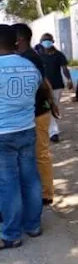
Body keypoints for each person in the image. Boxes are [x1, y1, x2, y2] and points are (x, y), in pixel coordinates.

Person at [0, 24, 43, 249]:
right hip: (27, 129)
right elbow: (37, 90)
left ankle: (11, 234)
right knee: (31, 178)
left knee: (8, 183)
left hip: (3, 133)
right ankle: (33, 226)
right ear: (15, 42)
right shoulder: (29, 66)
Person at [13, 24, 57, 205]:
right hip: (32, 112)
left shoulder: (30, 58)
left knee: (41, 154)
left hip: (38, 112)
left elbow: (43, 82)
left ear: (19, 39)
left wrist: (52, 102)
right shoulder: (25, 57)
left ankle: (46, 193)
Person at [39, 33, 73, 143]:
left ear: (52, 42)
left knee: (53, 107)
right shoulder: (39, 56)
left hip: (57, 86)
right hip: (43, 87)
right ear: (41, 43)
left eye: (48, 40)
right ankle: (53, 131)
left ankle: (53, 132)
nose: (47, 42)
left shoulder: (59, 55)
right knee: (47, 107)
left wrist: (69, 80)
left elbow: (64, 68)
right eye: (45, 40)